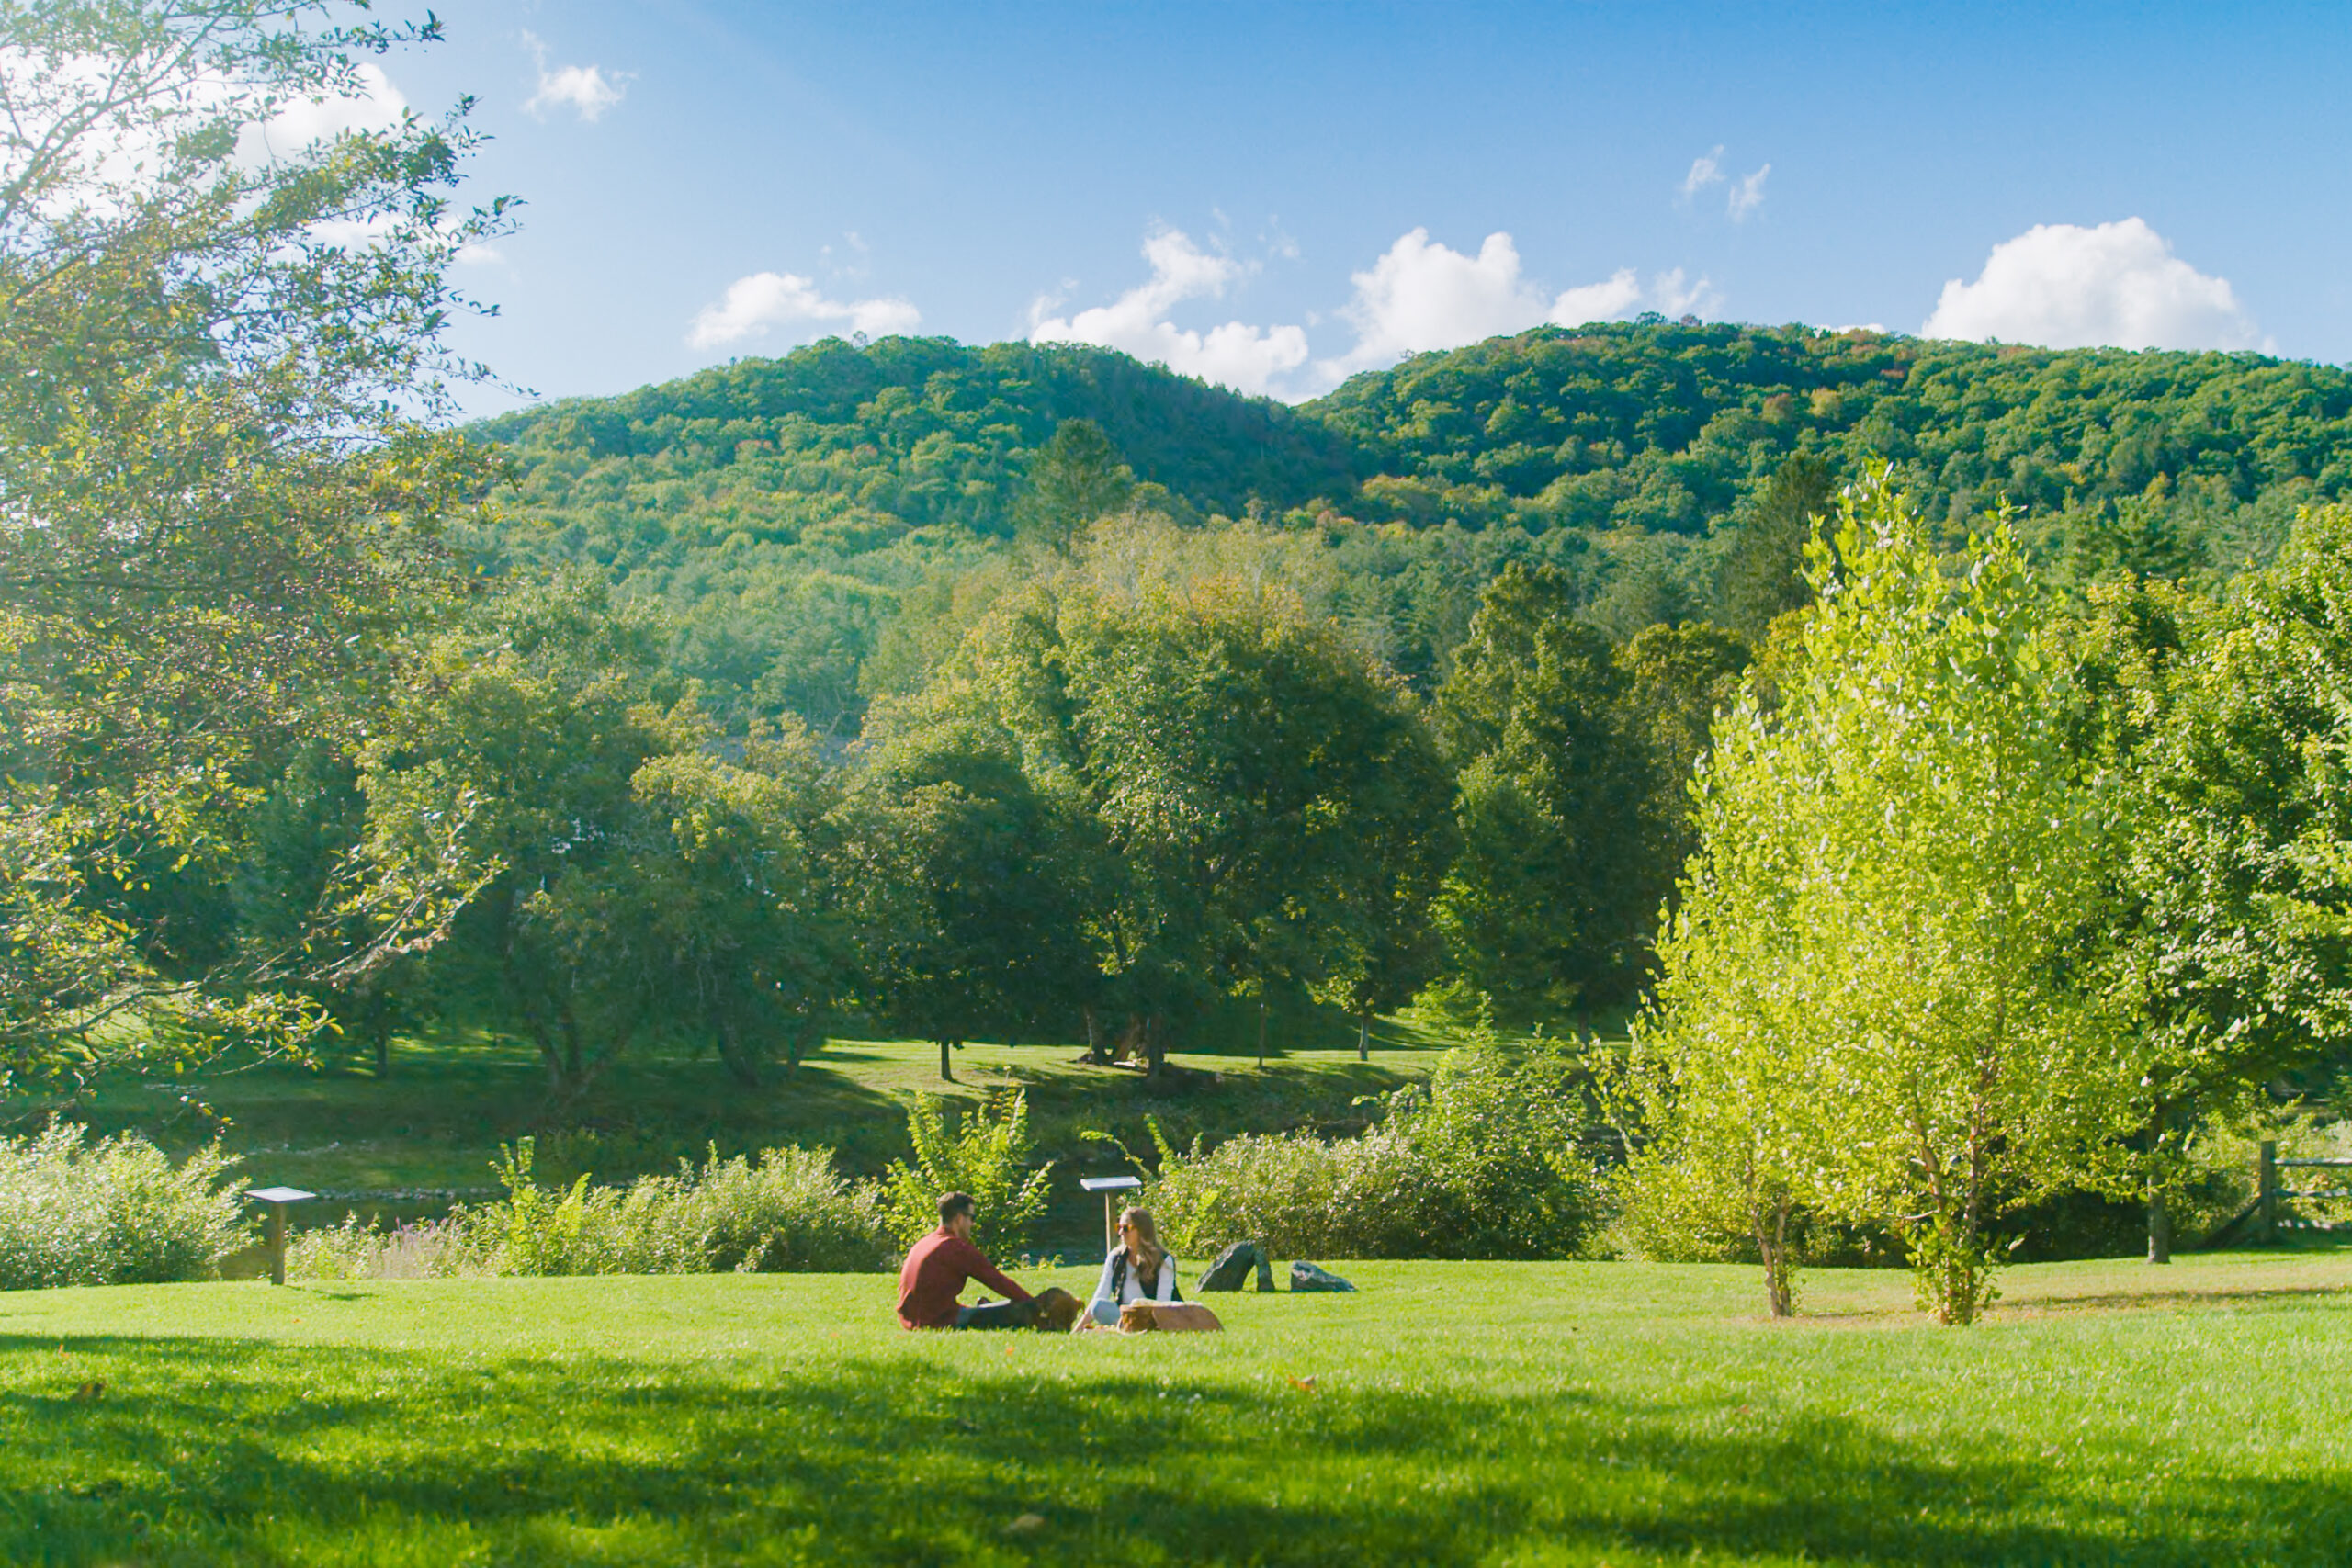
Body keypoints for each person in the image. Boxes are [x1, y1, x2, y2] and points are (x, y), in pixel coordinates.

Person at [896, 1190, 1037, 1330]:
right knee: (1015, 1308)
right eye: (972, 1218)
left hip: (910, 1320)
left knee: (990, 1310)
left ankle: (985, 1308)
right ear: (959, 1218)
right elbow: (997, 1281)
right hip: (938, 1321)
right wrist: (1035, 1304)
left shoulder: (924, 1243)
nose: (973, 1224)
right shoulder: (955, 1247)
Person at [1083, 1205, 1179, 1328]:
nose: (1120, 1232)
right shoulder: (1115, 1257)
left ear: (1142, 1231)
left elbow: (1162, 1303)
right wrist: (1077, 1331)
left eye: (1126, 1228)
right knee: (1098, 1306)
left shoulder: (1163, 1260)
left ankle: (1139, 1328)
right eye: (1119, 1227)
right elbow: (1100, 1295)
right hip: (1125, 1316)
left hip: (1152, 1318)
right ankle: (1128, 1327)